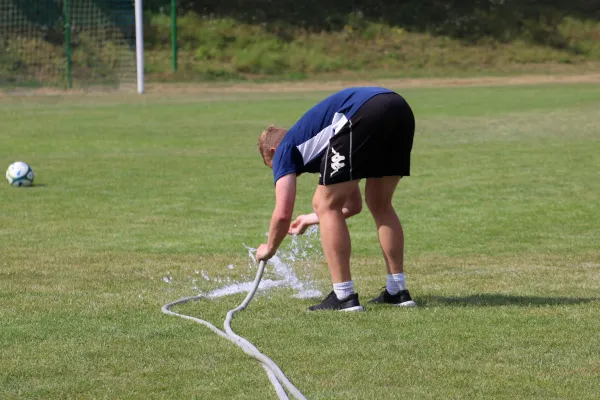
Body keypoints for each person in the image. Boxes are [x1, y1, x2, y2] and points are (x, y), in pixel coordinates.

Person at [255, 86, 417, 311]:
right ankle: (397, 291)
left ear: (273, 151)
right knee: (379, 203)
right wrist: (310, 219)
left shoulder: (285, 149)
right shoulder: (322, 140)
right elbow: (353, 206)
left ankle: (343, 296)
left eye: (274, 168)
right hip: (399, 108)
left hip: (364, 110)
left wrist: (269, 248)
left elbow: (283, 214)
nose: (282, 172)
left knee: (324, 203)